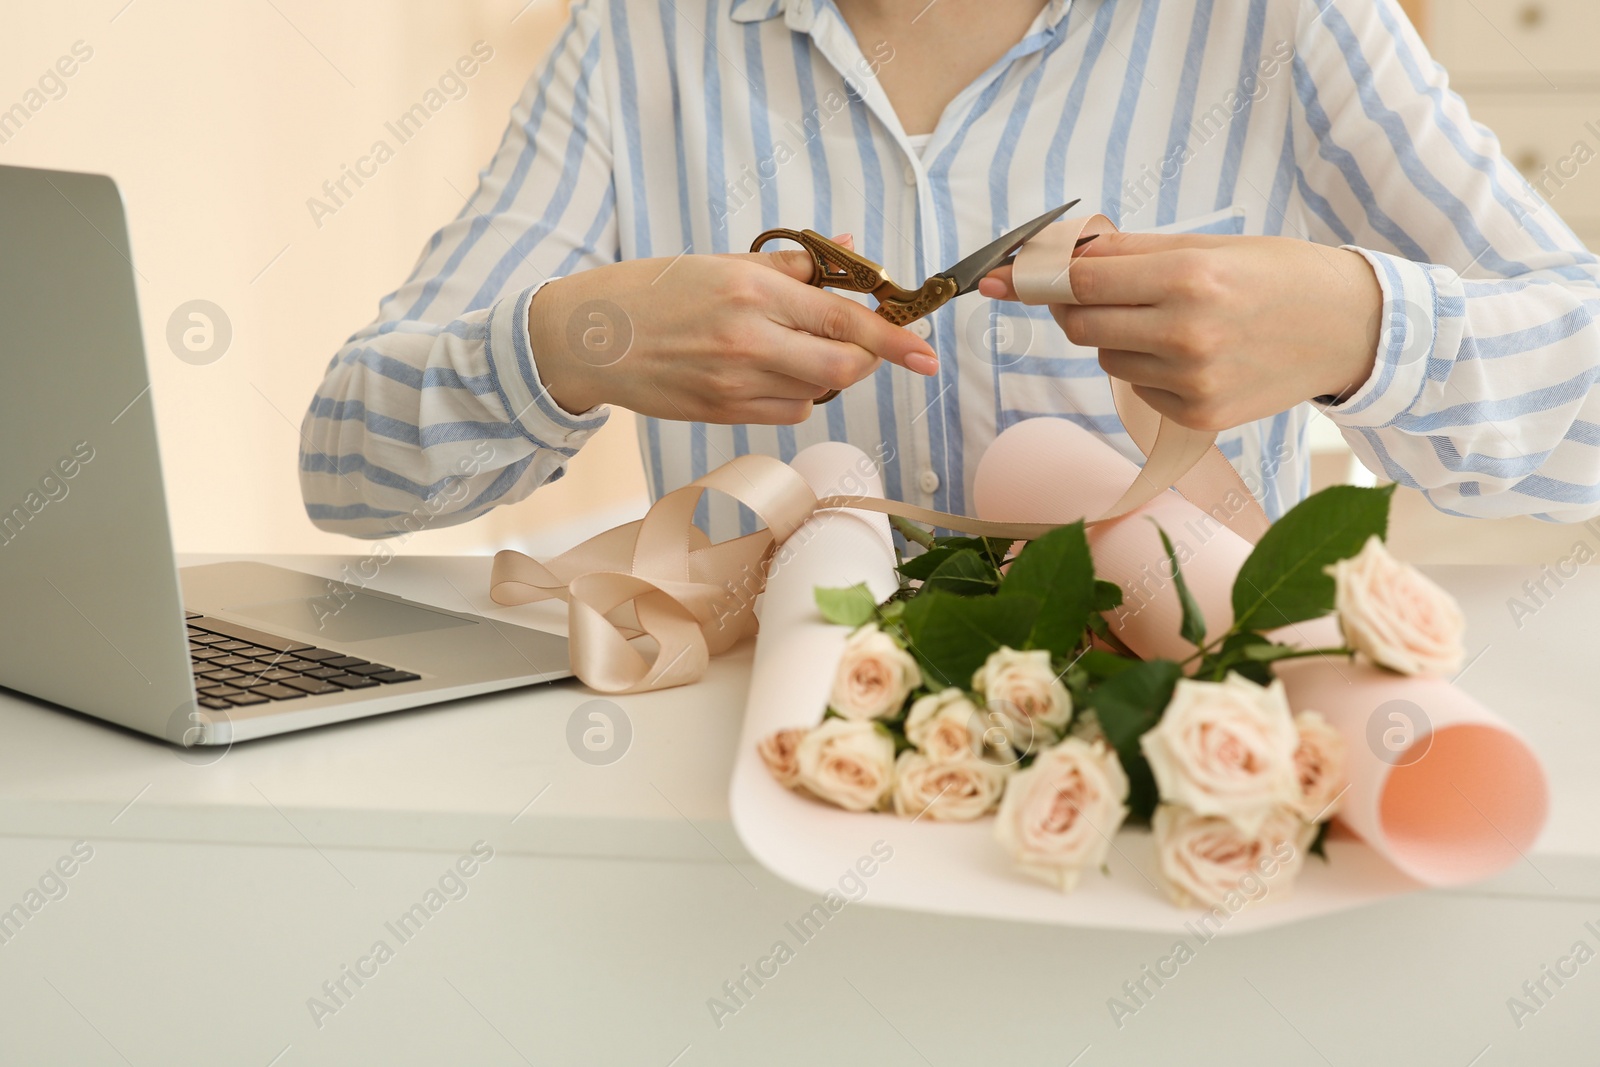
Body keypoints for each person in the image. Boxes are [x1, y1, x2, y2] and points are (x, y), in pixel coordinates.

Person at [299, 0, 1600, 541]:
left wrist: (1367, 329)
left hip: (1150, 811)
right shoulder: (644, 36)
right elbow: (347, 469)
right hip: (744, 816)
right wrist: (559, 345)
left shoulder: (1278, 21)